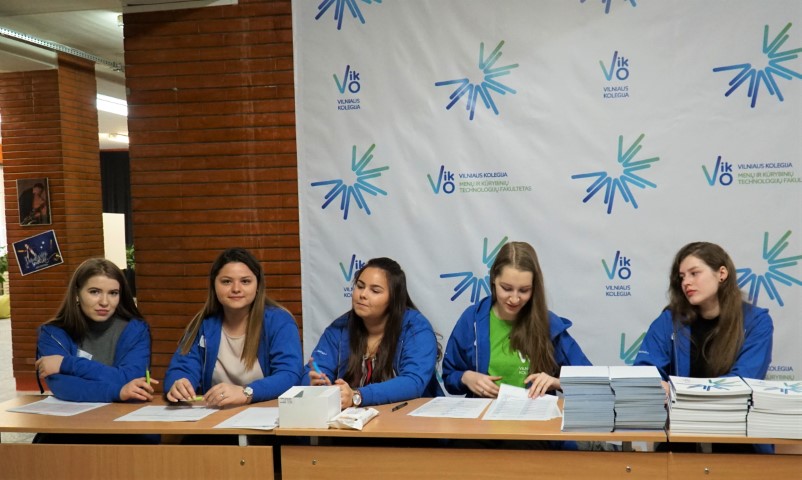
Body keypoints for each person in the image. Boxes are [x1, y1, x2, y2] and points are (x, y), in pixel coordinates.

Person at [634, 241, 774, 454]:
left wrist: (677, 391)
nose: (686, 282)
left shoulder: (756, 321)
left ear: (722, 274)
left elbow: (743, 382)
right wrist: (655, 386)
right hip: (680, 438)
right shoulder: (669, 320)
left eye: (694, 273)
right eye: (682, 277)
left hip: (738, 438)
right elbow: (645, 373)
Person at [443, 241, 592, 399]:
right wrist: (466, 377)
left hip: (535, 413)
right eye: (506, 288)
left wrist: (557, 382)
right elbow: (449, 376)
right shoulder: (472, 319)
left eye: (524, 290)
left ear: (534, 287)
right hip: (485, 413)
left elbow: (591, 381)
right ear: (493, 279)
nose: (514, 299)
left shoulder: (549, 324)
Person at [165, 247, 302, 407]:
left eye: (245, 281)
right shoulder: (203, 324)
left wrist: (246, 393)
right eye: (226, 281)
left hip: (266, 414)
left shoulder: (279, 322)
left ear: (258, 285)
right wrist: (179, 383)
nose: (236, 289)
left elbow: (289, 375)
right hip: (215, 416)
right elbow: (181, 369)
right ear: (214, 285)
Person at [302, 257, 438, 409]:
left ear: (393, 298)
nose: (363, 294)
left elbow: (413, 382)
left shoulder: (415, 328)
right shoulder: (339, 328)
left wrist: (357, 396)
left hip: (409, 417)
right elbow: (312, 372)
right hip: (354, 420)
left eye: (375, 291)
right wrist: (317, 385)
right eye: (360, 286)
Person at [36, 258, 155, 403]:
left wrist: (66, 364)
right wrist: (118, 392)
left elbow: (131, 379)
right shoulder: (52, 333)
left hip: (124, 413)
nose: (104, 302)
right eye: (94, 292)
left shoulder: (136, 330)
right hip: (73, 414)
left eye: (113, 293)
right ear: (76, 293)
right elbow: (63, 386)